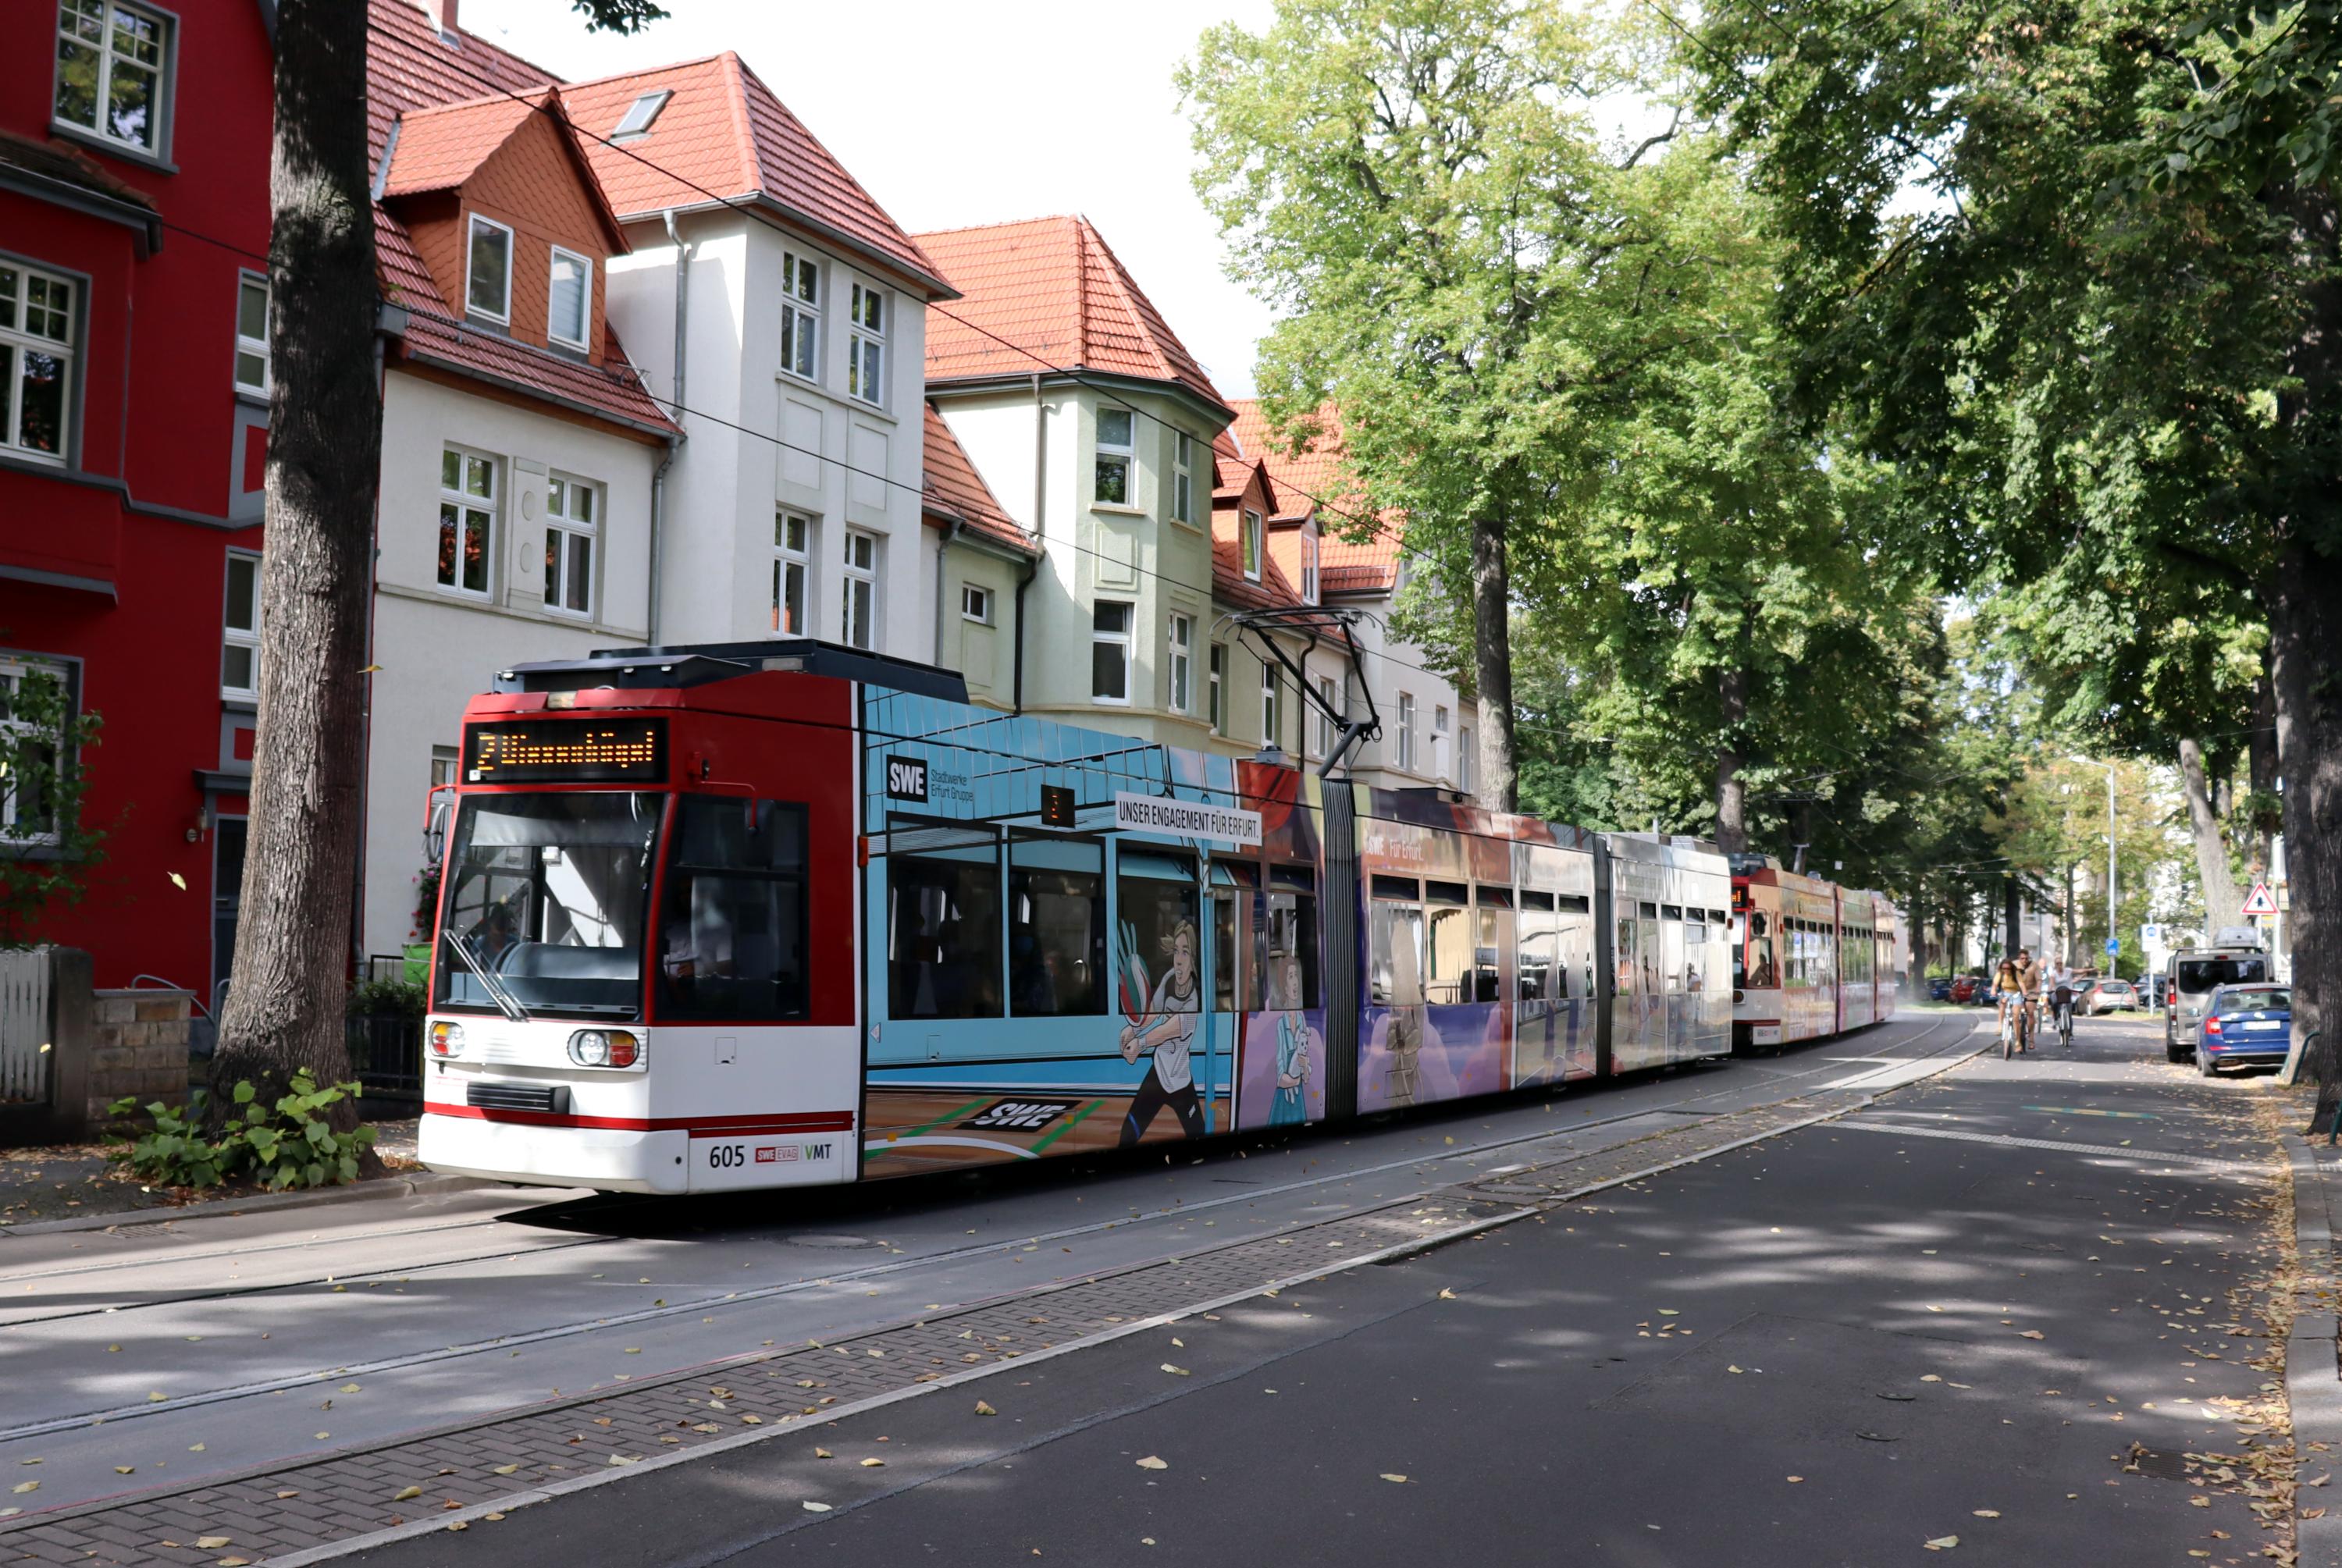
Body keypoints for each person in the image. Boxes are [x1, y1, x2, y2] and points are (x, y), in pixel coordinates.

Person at [1119, 919, 1205, 1144]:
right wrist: (1132, 1028)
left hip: (1180, 1082)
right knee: (1128, 1133)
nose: (1178, 959)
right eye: (1176, 951)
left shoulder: (1195, 998)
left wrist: (1140, 1044)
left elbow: (1168, 1030)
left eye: (1185, 952)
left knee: (1199, 1136)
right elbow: (1154, 1011)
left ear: (1193, 959)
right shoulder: (1169, 979)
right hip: (1158, 1074)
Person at [1270, 958, 1311, 1127]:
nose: (1295, 982)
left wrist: (1305, 1067)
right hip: (1284, 1097)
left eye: (1296, 976)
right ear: (1284, 987)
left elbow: (1307, 1077)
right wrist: (1297, 1080)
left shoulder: (1301, 1018)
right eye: (1290, 976)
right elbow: (1280, 1077)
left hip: (1298, 1096)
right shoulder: (1281, 1024)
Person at [1994, 958, 2026, 1051]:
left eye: (2008, 968)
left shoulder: (2016, 973)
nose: (2006, 970)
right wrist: (1993, 990)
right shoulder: (2000, 973)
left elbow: (2022, 984)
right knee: (2002, 1006)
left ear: (2011, 968)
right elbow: (1995, 983)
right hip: (2005, 993)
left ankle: (2018, 1042)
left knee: (2016, 1017)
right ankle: (2000, 1026)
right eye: (2004, 968)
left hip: (2016, 994)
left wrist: (2025, 993)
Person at [2014, 947, 2043, 1049]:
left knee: (2030, 1013)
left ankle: (2031, 1039)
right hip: (2017, 991)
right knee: (2015, 1013)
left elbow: (2039, 980)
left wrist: (2038, 989)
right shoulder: (2014, 965)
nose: (2024, 960)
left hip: (2031, 991)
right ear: (2019, 958)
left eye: (2026, 958)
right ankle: (2016, 1036)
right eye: (2022, 958)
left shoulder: (2035, 966)